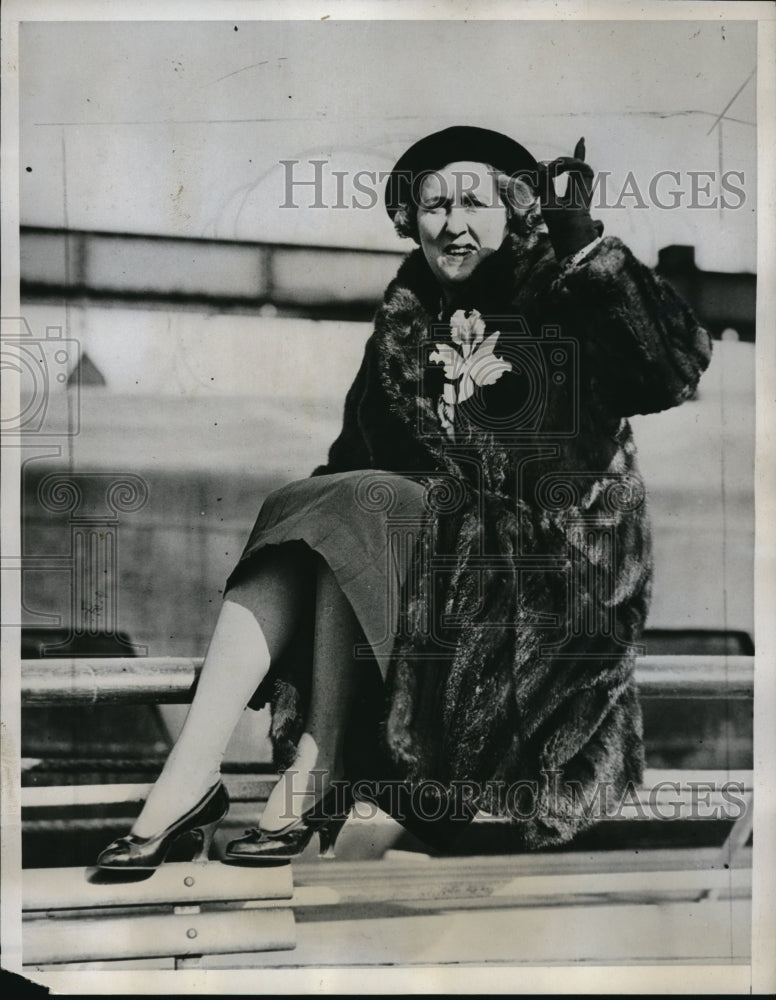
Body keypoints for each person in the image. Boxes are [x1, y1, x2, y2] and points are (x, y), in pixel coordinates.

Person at [97, 125, 712, 869]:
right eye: (433, 205)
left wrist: (581, 239)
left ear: (516, 210)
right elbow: (351, 463)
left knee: (351, 502)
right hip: (437, 591)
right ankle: (201, 773)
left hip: (546, 605)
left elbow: (669, 368)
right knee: (312, 505)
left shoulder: (560, 290)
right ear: (408, 217)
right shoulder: (407, 319)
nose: (452, 223)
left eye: (474, 203)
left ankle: (293, 770)